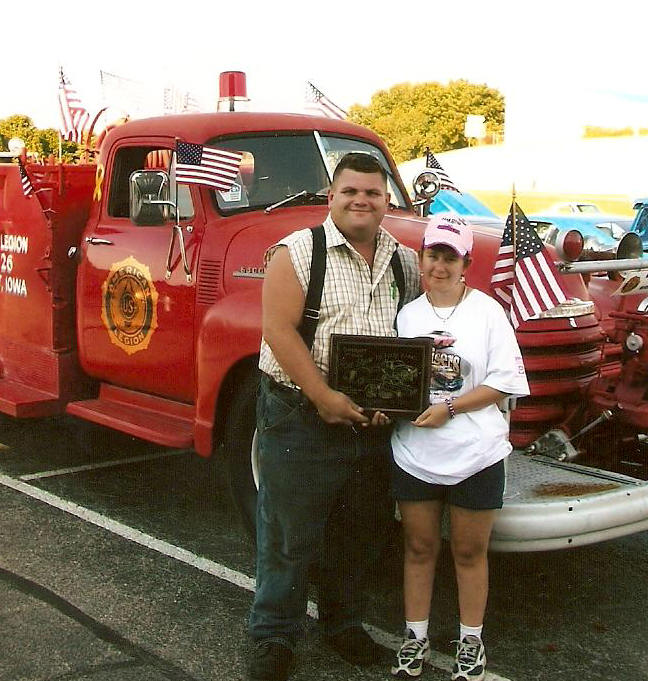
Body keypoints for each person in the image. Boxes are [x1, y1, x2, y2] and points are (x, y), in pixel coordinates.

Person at [248, 152, 421, 681]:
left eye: (372, 192)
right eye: (350, 191)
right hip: (300, 413)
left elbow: (410, 337)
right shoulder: (298, 253)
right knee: (289, 533)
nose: (361, 201)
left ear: (387, 200)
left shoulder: (404, 260)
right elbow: (277, 330)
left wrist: (396, 404)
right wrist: (323, 396)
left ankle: (344, 625)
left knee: (360, 530)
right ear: (332, 197)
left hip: (370, 423)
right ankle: (273, 638)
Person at [388, 216, 529, 680]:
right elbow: (394, 380)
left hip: (476, 453)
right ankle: (415, 636)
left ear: (467, 262)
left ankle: (471, 641)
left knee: (469, 553)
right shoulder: (408, 316)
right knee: (419, 546)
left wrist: (450, 409)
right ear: (422, 257)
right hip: (415, 452)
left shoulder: (487, 312)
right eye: (433, 255)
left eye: (451, 257)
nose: (440, 265)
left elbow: (503, 383)